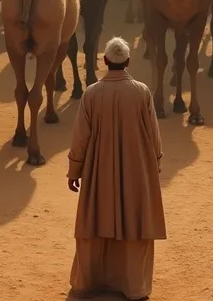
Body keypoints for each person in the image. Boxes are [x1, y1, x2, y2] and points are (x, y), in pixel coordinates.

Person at [67, 36, 166, 301]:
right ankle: (135, 287)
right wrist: (154, 164)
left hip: (98, 172)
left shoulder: (91, 93)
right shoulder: (142, 91)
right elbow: (154, 134)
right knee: (134, 222)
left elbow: (80, 137)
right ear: (128, 62)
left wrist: (74, 170)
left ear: (105, 61)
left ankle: (88, 283)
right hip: (137, 171)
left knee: (95, 219)